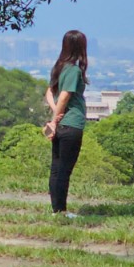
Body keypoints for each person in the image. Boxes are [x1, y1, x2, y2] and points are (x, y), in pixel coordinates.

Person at [44, 30, 88, 217]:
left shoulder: (59, 67)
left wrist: (54, 114)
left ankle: (56, 210)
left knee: (56, 169)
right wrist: (55, 119)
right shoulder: (74, 70)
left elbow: (49, 92)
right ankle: (61, 211)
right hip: (71, 124)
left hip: (60, 125)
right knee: (64, 170)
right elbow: (64, 96)